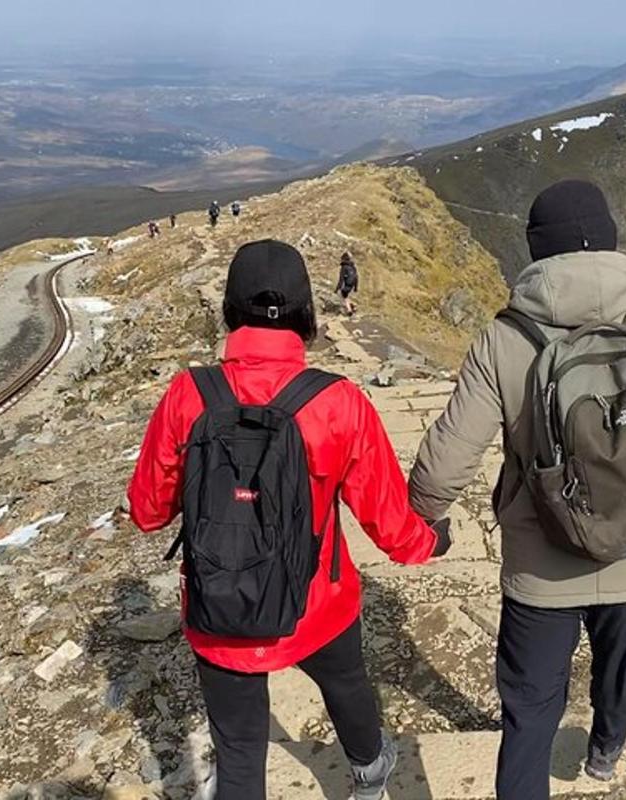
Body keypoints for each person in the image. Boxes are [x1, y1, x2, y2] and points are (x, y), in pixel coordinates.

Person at [408, 180, 626, 800]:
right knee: (619, 665)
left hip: (542, 571)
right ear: (612, 239)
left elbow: (441, 469)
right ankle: (605, 749)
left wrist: (424, 520)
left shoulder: (506, 340)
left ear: (537, 252)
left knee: (530, 710)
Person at [127, 239, 451, 800]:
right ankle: (371, 773)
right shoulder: (338, 401)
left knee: (240, 749)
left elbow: (148, 512)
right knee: (346, 682)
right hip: (316, 603)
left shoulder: (188, 394)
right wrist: (430, 542)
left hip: (220, 604)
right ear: (307, 314)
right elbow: (387, 518)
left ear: (231, 310)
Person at [336, 251, 360, 317]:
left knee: (344, 297)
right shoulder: (353, 267)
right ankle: (353, 306)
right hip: (351, 285)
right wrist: (355, 287)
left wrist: (337, 288)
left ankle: (349, 310)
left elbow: (341, 279)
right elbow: (356, 277)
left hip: (346, 285)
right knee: (346, 296)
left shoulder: (344, 267)